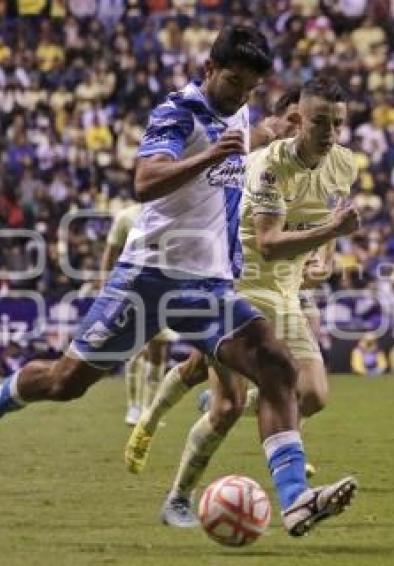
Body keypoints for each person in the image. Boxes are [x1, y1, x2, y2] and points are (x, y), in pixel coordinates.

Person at [0, 25, 356, 537]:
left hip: (208, 286)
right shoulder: (175, 113)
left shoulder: (240, 112)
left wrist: (275, 127)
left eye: (249, 88)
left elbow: (251, 137)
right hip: (149, 279)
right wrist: (211, 156)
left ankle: (296, 501)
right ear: (209, 69)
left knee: (276, 366)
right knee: (65, 383)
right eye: (232, 82)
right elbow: (144, 181)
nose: (239, 95)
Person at [124, 77, 360, 527]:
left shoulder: (343, 165)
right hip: (241, 288)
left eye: (338, 124)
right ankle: (177, 495)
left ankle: (270, 427)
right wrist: (331, 233)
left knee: (314, 393)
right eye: (320, 123)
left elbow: (330, 210)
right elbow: (270, 242)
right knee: (225, 406)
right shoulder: (266, 166)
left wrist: (326, 256)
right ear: (297, 119)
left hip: (285, 294)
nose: (330, 133)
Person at [101, 201, 178, 426]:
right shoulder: (126, 217)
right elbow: (111, 251)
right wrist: (106, 284)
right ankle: (133, 407)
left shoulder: (172, 213)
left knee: (159, 351)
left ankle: (148, 409)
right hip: (133, 289)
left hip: (164, 290)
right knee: (137, 347)